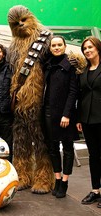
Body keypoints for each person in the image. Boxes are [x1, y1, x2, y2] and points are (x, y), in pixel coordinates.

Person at [43, 36, 79, 198]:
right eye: (54, 45)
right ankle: (57, 178)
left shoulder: (70, 65)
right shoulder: (48, 64)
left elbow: (73, 92)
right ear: (50, 48)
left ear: (65, 46)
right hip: (48, 112)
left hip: (65, 114)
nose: (56, 47)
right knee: (52, 147)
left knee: (68, 148)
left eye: (59, 45)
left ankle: (65, 181)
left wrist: (66, 114)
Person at [76, 36, 101, 207]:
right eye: (85, 48)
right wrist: (79, 118)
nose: (87, 50)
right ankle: (95, 190)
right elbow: (81, 96)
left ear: (98, 48)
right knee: (93, 156)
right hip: (87, 119)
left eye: (90, 47)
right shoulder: (84, 71)